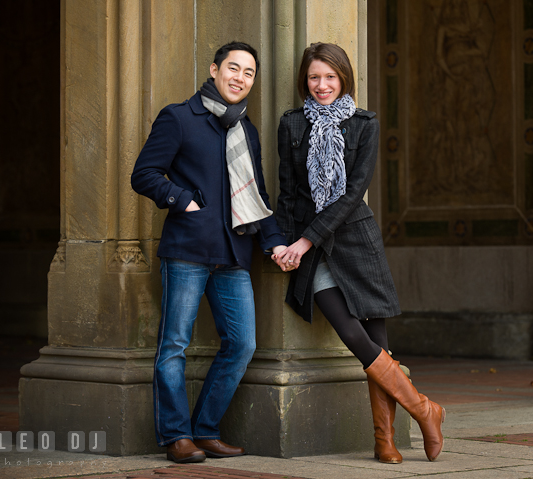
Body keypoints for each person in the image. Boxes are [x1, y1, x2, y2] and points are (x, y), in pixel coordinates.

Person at [272, 42, 445, 464]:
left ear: (344, 78)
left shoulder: (364, 123)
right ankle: (424, 409)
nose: (322, 85)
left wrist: (305, 239)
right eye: (314, 77)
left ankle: (384, 441)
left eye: (330, 77)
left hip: (355, 240)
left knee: (378, 341)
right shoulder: (292, 124)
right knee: (354, 335)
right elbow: (288, 192)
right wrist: (280, 241)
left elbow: (352, 195)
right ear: (304, 81)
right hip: (311, 249)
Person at [131, 41, 288, 464]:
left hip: (234, 254)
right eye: (233, 68)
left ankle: (205, 429)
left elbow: (257, 194)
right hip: (186, 249)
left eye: (249, 73)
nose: (240, 78)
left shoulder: (246, 130)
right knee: (174, 345)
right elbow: (144, 174)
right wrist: (183, 199)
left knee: (242, 343)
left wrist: (273, 241)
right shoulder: (180, 117)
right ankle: (177, 436)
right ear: (215, 70)